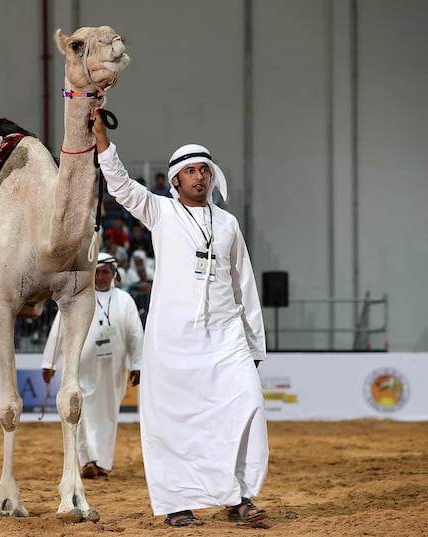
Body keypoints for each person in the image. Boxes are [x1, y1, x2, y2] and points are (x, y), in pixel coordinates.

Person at [92, 109, 269, 527]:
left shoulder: (228, 223)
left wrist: (254, 342)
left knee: (248, 404)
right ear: (175, 180)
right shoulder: (159, 212)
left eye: (204, 170)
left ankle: (240, 497)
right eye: (190, 171)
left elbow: (245, 283)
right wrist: (102, 139)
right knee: (173, 422)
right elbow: (118, 185)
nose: (199, 177)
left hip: (226, 336)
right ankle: (177, 504)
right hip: (172, 338)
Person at [41, 252, 143, 480]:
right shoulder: (78, 297)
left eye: (105, 271)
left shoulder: (125, 301)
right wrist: (49, 362)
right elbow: (59, 330)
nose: (100, 276)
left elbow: (136, 334)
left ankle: (103, 463)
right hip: (79, 367)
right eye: (96, 271)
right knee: (80, 411)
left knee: (108, 415)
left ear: (114, 274)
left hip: (112, 370)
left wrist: (137, 364)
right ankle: (87, 460)